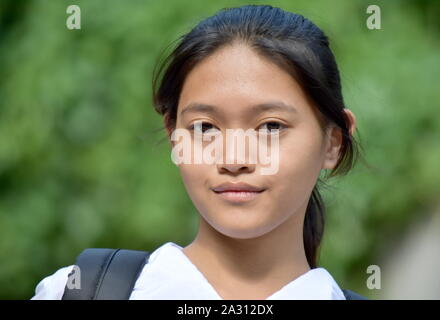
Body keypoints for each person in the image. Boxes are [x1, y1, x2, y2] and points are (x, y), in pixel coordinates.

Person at [31, 4, 365, 300]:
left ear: (332, 142)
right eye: (205, 127)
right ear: (174, 136)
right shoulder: (78, 291)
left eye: (271, 127)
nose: (234, 159)